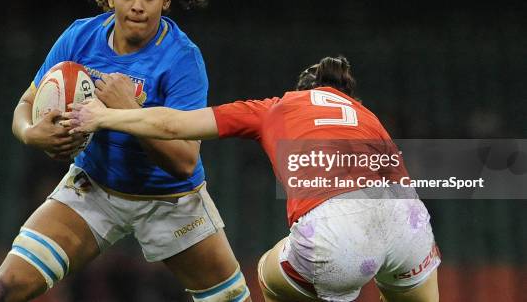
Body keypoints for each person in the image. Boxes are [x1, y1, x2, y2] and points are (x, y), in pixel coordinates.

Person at [0, 0, 260, 302]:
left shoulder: (182, 59)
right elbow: (25, 104)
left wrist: (128, 111)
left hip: (171, 200)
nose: (137, 6)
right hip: (94, 188)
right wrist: (31, 133)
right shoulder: (79, 36)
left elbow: (183, 161)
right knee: (5, 288)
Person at [63, 56, 442, 302]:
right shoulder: (366, 115)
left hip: (337, 233)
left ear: (300, 91)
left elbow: (171, 124)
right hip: (406, 222)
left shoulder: (275, 107)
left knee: (266, 272)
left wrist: (104, 117)